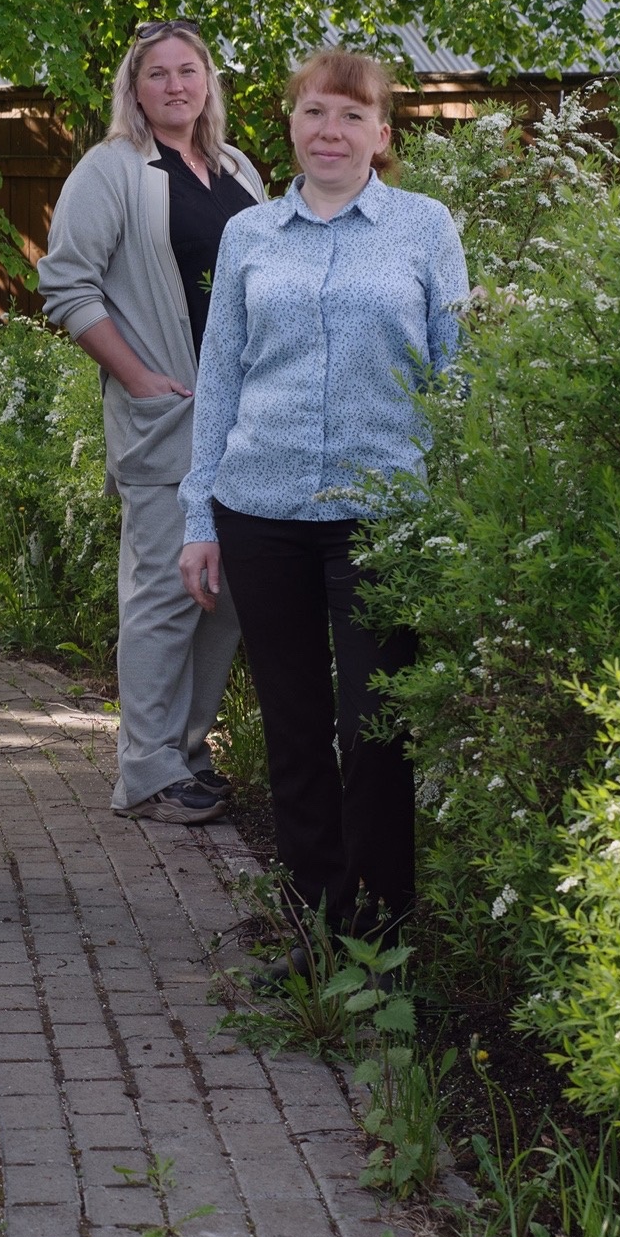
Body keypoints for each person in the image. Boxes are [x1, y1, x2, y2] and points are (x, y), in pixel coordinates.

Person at [176, 48, 467, 941]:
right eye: (313, 114)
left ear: (383, 135)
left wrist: (459, 511)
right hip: (260, 511)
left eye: (350, 116)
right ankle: (309, 923)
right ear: (291, 128)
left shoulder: (424, 228)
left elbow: (458, 378)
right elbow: (218, 378)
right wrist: (200, 516)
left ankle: (379, 937)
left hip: (385, 521)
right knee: (294, 729)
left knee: (376, 729)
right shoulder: (250, 236)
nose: (329, 131)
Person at [40, 20, 266, 824]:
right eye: (158, 74)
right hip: (169, 417)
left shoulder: (238, 169)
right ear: (134, 89)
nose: (176, 85)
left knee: (227, 593)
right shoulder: (111, 170)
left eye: (189, 71)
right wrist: (138, 377)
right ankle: (144, 768)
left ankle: (186, 753)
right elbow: (66, 284)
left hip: (248, 422)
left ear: (209, 82)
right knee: (165, 592)